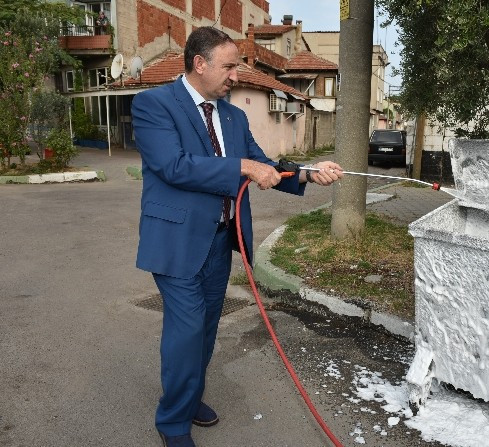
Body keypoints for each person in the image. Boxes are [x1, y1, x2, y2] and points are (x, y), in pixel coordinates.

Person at [131, 26, 342, 447]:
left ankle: (189, 397)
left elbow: (264, 164)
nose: (235, 75)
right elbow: (174, 166)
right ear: (199, 64)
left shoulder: (232, 116)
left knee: (207, 328)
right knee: (187, 331)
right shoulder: (154, 104)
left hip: (220, 240)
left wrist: (306, 173)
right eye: (228, 67)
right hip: (175, 241)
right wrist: (243, 167)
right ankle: (173, 422)